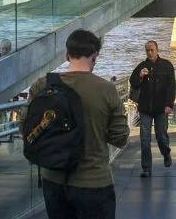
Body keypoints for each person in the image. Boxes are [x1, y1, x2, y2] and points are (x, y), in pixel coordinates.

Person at [26, 29, 128, 219]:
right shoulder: (106, 89)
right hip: (94, 181)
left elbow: (25, 128)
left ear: (67, 54)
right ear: (95, 56)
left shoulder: (42, 85)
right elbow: (120, 138)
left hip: (53, 180)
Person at [128, 40, 176, 178]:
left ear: (157, 50)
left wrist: (169, 105)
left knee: (161, 135)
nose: (149, 53)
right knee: (145, 139)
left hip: (161, 108)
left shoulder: (167, 66)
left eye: (152, 50)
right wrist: (140, 76)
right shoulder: (141, 66)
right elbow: (133, 83)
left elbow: (171, 87)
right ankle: (146, 168)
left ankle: (166, 153)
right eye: (147, 50)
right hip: (145, 109)